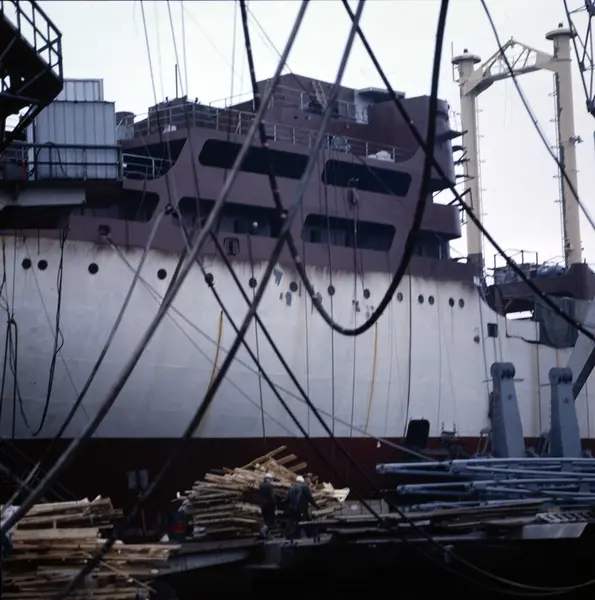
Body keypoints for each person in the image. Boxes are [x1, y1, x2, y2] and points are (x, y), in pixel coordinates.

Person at [285, 476, 304, 540]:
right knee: (299, 521)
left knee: (291, 521)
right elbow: (298, 499)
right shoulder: (299, 488)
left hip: (291, 507)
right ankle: (297, 535)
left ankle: (288, 534)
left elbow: (287, 498)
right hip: (297, 508)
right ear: (300, 482)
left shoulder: (291, 488)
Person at [258, 473, 276, 538]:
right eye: (270, 479)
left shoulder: (261, 485)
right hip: (269, 505)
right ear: (268, 479)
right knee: (270, 521)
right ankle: (263, 530)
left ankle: (266, 535)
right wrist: (275, 505)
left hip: (262, 505)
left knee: (266, 520)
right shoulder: (269, 486)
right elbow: (272, 496)